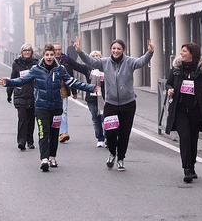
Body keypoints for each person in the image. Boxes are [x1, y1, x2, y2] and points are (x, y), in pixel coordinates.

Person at [0, 44, 99, 172]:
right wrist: (8, 82)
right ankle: (44, 159)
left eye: (51, 55)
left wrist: (90, 87)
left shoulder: (60, 69)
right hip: (41, 107)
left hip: (56, 106)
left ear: (54, 56)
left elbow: (73, 82)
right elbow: (22, 81)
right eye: (47, 55)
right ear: (43, 56)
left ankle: (52, 157)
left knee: (54, 133)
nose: (50, 57)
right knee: (43, 132)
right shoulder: (36, 69)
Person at [73, 38, 154, 171]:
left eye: (119, 49)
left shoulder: (129, 62)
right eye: (114, 48)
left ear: (123, 50)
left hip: (128, 104)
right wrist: (80, 52)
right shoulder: (104, 62)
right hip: (110, 103)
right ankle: (112, 153)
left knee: (124, 133)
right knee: (110, 132)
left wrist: (150, 52)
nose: (116, 51)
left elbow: (141, 62)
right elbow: (90, 61)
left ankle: (121, 159)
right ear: (111, 49)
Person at [165, 42, 202, 183]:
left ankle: (192, 165)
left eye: (184, 51)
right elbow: (168, 83)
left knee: (193, 139)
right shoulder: (177, 68)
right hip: (180, 109)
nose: (181, 53)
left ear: (192, 54)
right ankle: (186, 169)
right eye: (181, 51)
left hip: (196, 110)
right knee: (185, 137)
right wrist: (170, 89)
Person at [61, 50, 106, 147]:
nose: (96, 57)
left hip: (104, 97)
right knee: (95, 118)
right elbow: (76, 66)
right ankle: (100, 138)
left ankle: (108, 138)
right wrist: (69, 60)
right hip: (92, 98)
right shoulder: (87, 68)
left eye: (98, 56)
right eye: (93, 56)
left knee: (105, 118)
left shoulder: (106, 68)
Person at [6, 43, 39, 151]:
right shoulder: (16, 63)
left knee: (31, 119)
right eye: (25, 51)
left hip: (32, 94)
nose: (27, 52)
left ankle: (30, 141)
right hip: (20, 94)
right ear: (22, 52)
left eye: (29, 50)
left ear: (31, 52)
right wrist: (9, 93)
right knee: (22, 118)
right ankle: (21, 141)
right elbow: (13, 78)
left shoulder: (36, 64)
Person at [53, 42, 77, 143]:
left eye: (59, 49)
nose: (57, 52)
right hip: (52, 90)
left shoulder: (66, 61)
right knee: (53, 112)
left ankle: (63, 132)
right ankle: (53, 132)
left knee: (64, 111)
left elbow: (71, 76)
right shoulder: (47, 61)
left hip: (63, 89)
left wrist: (74, 91)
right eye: (55, 50)